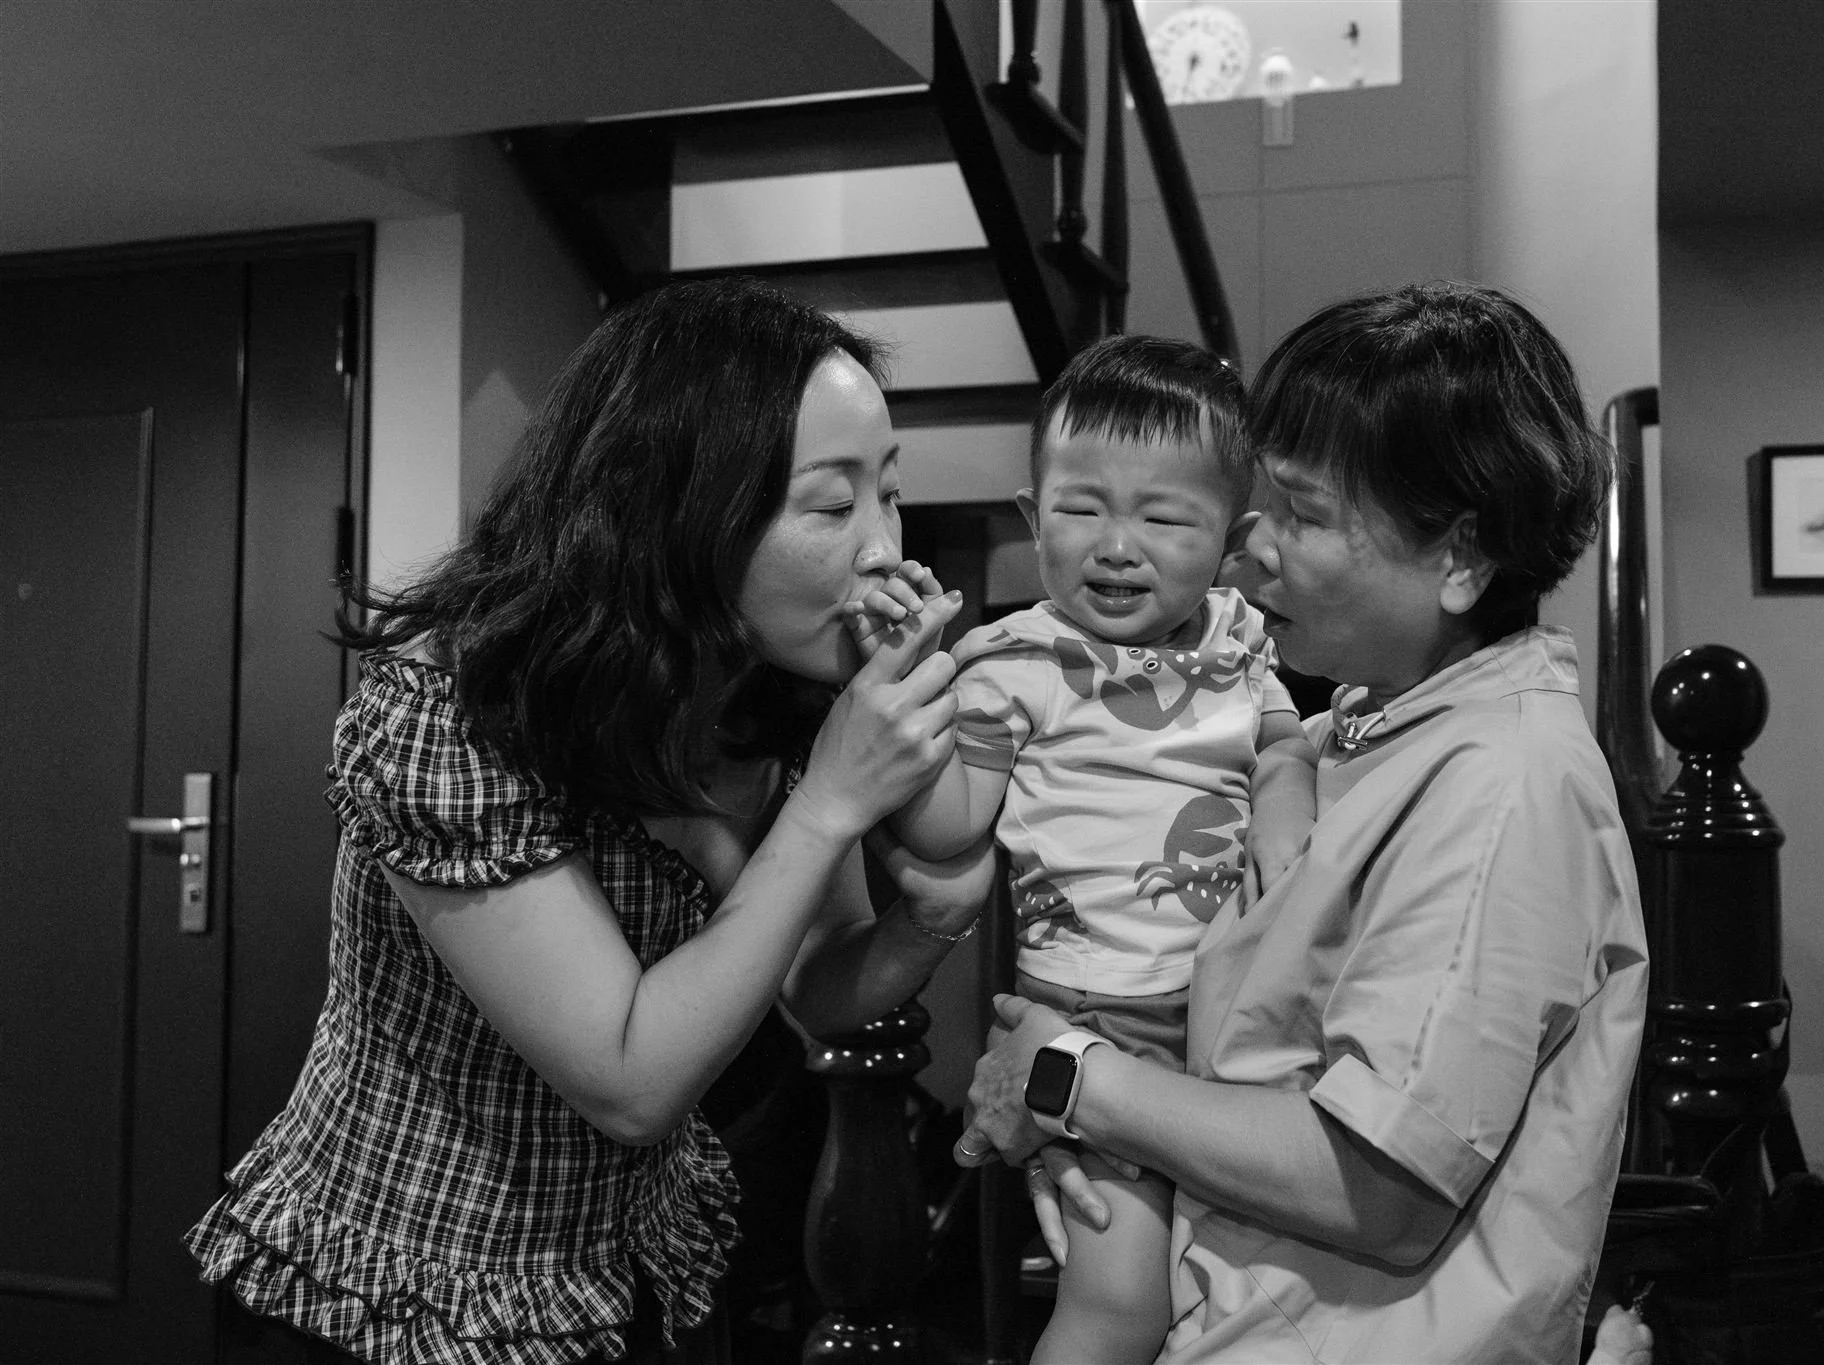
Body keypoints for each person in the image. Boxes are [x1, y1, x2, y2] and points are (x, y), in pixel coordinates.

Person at [185, 278, 994, 1365]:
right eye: (832, 504)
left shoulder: (770, 691)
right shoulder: (453, 713)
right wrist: (831, 802)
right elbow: (629, 1081)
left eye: (888, 495)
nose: (882, 548)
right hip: (403, 1300)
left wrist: (929, 914)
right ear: (680, 509)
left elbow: (815, 986)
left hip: (624, 1281)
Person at [958, 282, 1650, 1364]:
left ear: (1459, 558)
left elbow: (1376, 1182)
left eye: (1304, 515)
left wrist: (1072, 1077)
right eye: (1259, 507)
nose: (1251, 552)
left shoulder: (1503, 788)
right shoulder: (1367, 729)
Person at [866, 335, 1317, 1364]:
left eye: (1163, 517)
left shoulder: (1238, 640)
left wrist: (1285, 796)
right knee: (1119, 1304)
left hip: (1242, 1009)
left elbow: (1282, 737)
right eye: (1081, 508)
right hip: (1089, 1021)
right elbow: (947, 825)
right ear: (1034, 518)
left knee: (1237, 1284)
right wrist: (901, 689)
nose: (1118, 545)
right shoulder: (1015, 663)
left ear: (1232, 539)